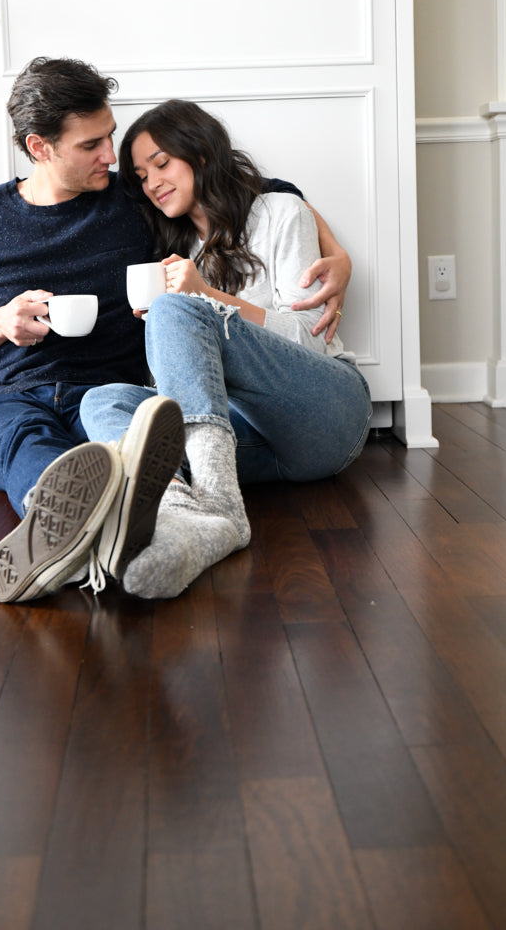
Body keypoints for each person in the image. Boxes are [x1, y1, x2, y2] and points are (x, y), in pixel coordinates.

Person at [0, 57, 350, 602]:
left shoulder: (132, 199)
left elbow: (247, 189)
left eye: (110, 137)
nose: (109, 156)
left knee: (105, 430)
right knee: (12, 435)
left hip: (111, 394)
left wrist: (337, 253)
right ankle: (61, 527)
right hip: (14, 395)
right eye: (90, 145)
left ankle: (100, 528)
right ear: (38, 147)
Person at [79, 99, 372, 599]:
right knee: (101, 400)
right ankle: (181, 515)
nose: (151, 182)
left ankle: (219, 504)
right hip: (246, 442)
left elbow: (311, 339)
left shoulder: (281, 213)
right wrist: (170, 330)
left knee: (176, 310)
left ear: (204, 156)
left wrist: (201, 300)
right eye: (141, 174)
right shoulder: (177, 252)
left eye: (162, 163)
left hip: (327, 415)